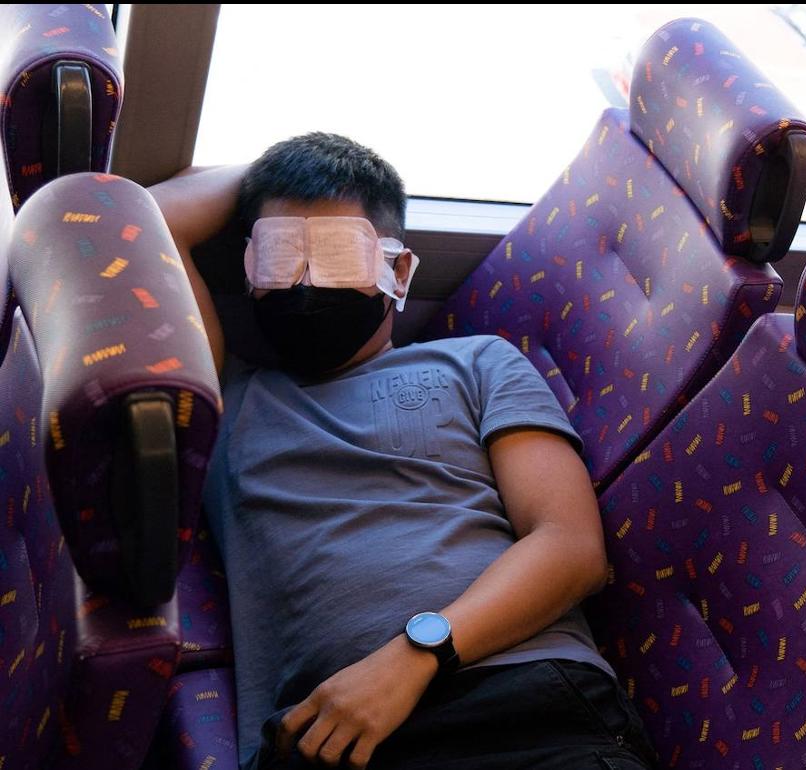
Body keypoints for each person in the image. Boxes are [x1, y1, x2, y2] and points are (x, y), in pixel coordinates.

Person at [150, 132, 657, 770]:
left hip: (520, 699)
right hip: (326, 735)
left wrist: (414, 658)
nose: (307, 282)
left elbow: (571, 546)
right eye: (281, 256)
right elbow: (151, 219)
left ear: (398, 271)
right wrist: (285, 165)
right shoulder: (226, 396)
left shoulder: (479, 363)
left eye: (340, 254)